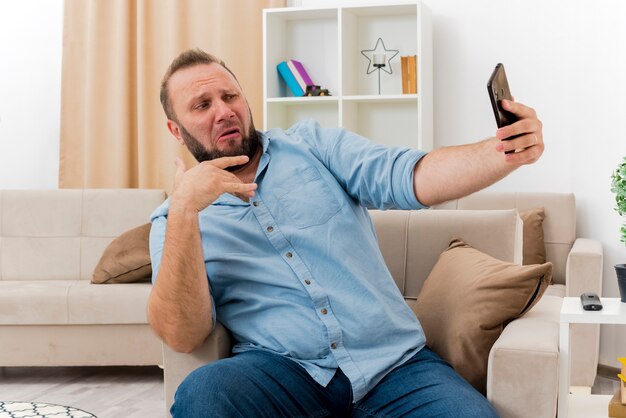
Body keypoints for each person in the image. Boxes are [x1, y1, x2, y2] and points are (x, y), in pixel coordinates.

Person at [147, 48, 544, 418]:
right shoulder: (172, 220)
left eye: (230, 97)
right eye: (202, 105)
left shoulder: (312, 146)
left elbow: (407, 175)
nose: (224, 111)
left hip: (394, 364)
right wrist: (185, 209)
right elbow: (183, 335)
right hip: (283, 372)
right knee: (204, 394)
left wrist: (505, 152)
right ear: (176, 130)